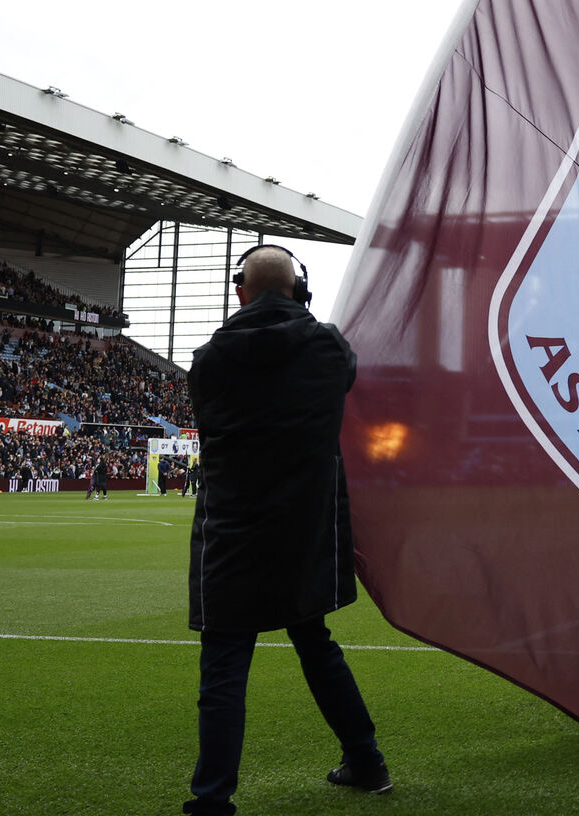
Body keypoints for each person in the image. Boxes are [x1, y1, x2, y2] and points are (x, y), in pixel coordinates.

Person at [183, 245, 389, 815]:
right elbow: (344, 372)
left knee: (224, 666)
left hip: (232, 533)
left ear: (239, 290)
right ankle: (367, 762)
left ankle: (212, 800)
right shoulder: (328, 348)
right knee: (316, 646)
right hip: (304, 531)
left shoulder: (210, 359)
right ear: (300, 290)